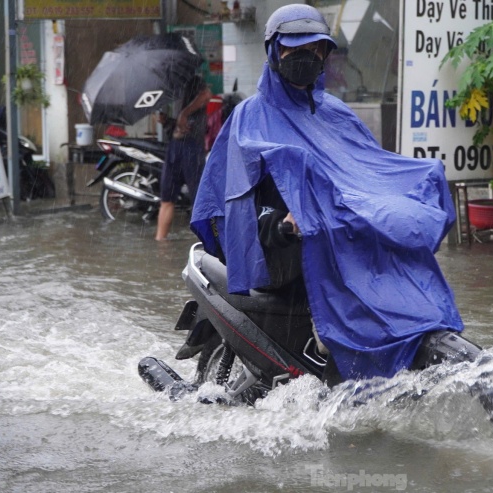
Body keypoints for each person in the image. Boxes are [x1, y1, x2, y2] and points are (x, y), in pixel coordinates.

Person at [191, 5, 463, 381]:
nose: (308, 57)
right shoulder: (249, 118)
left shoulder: (337, 113)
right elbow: (236, 203)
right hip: (282, 247)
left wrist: (404, 195)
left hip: (336, 235)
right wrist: (282, 225)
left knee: (398, 255)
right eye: (296, 49)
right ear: (274, 51)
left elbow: (367, 173)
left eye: (317, 49)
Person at [155, 75, 212, 241]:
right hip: (174, 146)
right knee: (166, 199)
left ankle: (205, 243)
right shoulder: (170, 86)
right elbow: (177, 122)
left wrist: (184, 113)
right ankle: (160, 243)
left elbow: (206, 95)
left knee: (199, 200)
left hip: (192, 147)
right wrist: (167, 121)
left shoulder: (193, 79)